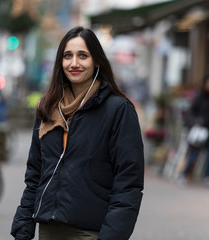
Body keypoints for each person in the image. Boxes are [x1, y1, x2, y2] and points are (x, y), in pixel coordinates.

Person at [11, 26, 145, 240]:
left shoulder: (118, 110)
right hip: (49, 229)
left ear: (97, 61)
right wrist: (23, 223)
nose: (74, 63)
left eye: (83, 55)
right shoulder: (48, 108)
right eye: (67, 56)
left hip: (91, 232)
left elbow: (128, 183)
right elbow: (35, 174)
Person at [179, 73, 209, 186]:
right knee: (194, 153)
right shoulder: (200, 96)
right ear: (206, 82)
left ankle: (208, 177)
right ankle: (183, 175)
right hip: (200, 130)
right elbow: (191, 112)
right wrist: (196, 122)